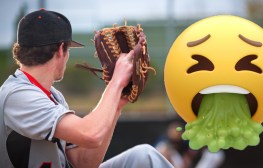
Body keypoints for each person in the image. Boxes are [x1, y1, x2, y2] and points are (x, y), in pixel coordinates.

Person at [0, 9, 174, 168]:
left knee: (144, 157)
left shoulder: (54, 96)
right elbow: (90, 134)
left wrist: (117, 105)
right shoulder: (16, 95)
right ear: (61, 50)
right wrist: (116, 82)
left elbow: (83, 163)